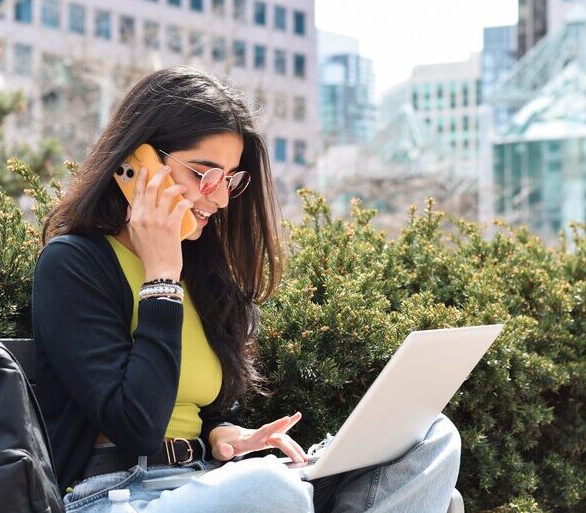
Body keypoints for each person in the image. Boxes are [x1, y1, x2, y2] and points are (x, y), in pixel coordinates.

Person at [31, 66, 461, 513]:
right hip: (116, 495)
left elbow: (207, 412)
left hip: (205, 483)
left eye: (229, 180)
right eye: (204, 174)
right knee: (271, 491)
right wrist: (160, 278)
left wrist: (224, 435)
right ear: (141, 163)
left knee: (430, 435)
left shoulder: (202, 275)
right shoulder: (74, 264)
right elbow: (136, 426)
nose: (218, 199)